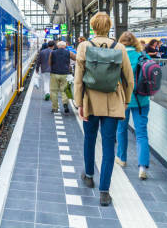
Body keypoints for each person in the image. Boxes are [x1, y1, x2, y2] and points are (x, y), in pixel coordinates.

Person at [74, 12, 134, 206]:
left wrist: (79, 103)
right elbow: (129, 79)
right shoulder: (120, 48)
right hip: (113, 102)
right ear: (109, 27)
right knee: (109, 147)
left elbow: (78, 80)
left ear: (93, 27)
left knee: (89, 139)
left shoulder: (84, 46)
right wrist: (125, 102)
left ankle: (89, 175)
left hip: (90, 101)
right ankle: (104, 192)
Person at [115, 31, 150, 180]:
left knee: (121, 129)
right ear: (135, 42)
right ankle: (142, 166)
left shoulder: (117, 55)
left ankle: (122, 158)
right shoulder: (143, 56)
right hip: (142, 100)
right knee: (141, 134)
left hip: (122, 99)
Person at [49, 41, 76, 114]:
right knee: (64, 90)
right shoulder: (69, 52)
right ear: (65, 46)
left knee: (53, 91)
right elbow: (76, 58)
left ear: (57, 46)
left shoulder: (52, 52)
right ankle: (65, 104)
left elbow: (49, 62)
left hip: (54, 73)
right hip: (65, 73)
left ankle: (55, 108)